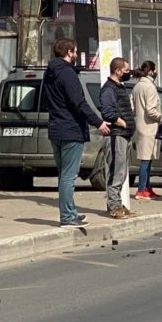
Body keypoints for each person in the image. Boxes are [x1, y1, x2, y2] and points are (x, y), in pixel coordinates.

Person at [44, 38, 110, 227]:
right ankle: (67, 216)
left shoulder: (49, 74)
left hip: (56, 129)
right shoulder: (67, 74)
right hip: (70, 129)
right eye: (74, 52)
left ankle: (70, 211)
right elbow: (79, 103)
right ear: (70, 52)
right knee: (68, 176)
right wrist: (98, 122)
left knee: (63, 175)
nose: (75, 56)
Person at [99, 57, 136, 219]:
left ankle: (117, 203)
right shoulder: (109, 89)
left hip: (124, 136)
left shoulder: (119, 87)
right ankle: (114, 206)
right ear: (118, 71)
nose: (128, 73)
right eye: (126, 70)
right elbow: (107, 112)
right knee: (116, 172)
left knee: (121, 172)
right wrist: (122, 123)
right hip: (116, 136)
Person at [132, 60, 162, 200]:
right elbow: (151, 110)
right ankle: (141, 189)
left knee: (148, 158)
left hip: (140, 125)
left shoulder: (137, 86)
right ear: (151, 71)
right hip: (149, 126)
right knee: (146, 160)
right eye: (155, 70)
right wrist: (160, 117)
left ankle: (147, 187)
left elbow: (132, 107)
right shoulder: (149, 87)